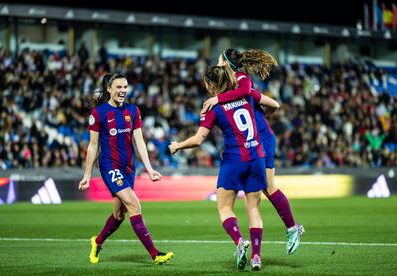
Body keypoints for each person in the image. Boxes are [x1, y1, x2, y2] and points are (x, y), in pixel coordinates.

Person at [169, 65, 280, 271]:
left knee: (224, 207)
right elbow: (274, 104)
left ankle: (239, 242)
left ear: (211, 85)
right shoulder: (247, 96)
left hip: (234, 160)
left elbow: (199, 139)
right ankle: (256, 257)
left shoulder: (213, 107)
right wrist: (264, 117)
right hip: (257, 157)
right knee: (253, 208)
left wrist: (178, 145)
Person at [201, 48, 304, 255]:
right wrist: (264, 116)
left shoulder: (240, 80)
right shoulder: (232, 87)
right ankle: (258, 250)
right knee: (257, 194)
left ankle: (293, 228)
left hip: (260, 139)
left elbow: (246, 90)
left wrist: (218, 100)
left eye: (220, 60)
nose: (218, 63)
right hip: (255, 139)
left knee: (268, 186)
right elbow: (273, 103)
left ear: (227, 63)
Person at [79, 72, 173, 265]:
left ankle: (97, 242)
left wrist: (149, 168)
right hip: (110, 167)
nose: (123, 91)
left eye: (125, 87)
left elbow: (139, 141)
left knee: (119, 215)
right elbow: (93, 146)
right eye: (118, 87)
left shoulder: (133, 110)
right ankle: (155, 254)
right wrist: (87, 175)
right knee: (134, 205)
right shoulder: (98, 113)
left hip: (130, 168)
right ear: (109, 89)